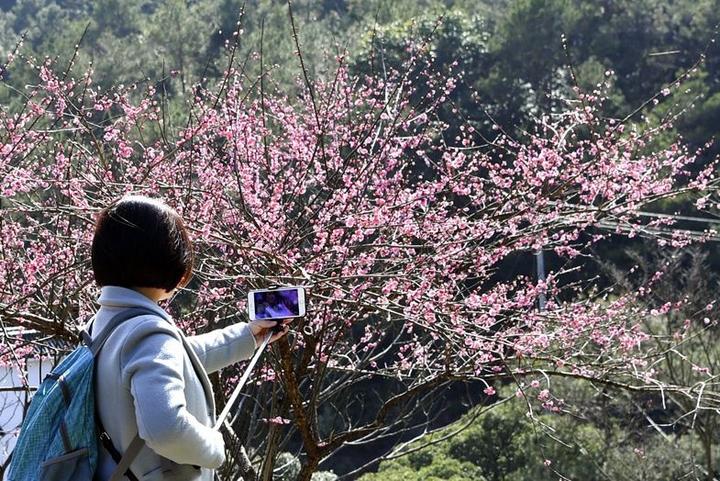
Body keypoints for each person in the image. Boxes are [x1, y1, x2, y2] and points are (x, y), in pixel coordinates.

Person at [89, 194, 289, 481]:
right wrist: (213, 448)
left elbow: (177, 358)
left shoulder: (105, 325)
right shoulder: (147, 333)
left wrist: (248, 335)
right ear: (174, 264)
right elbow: (165, 428)